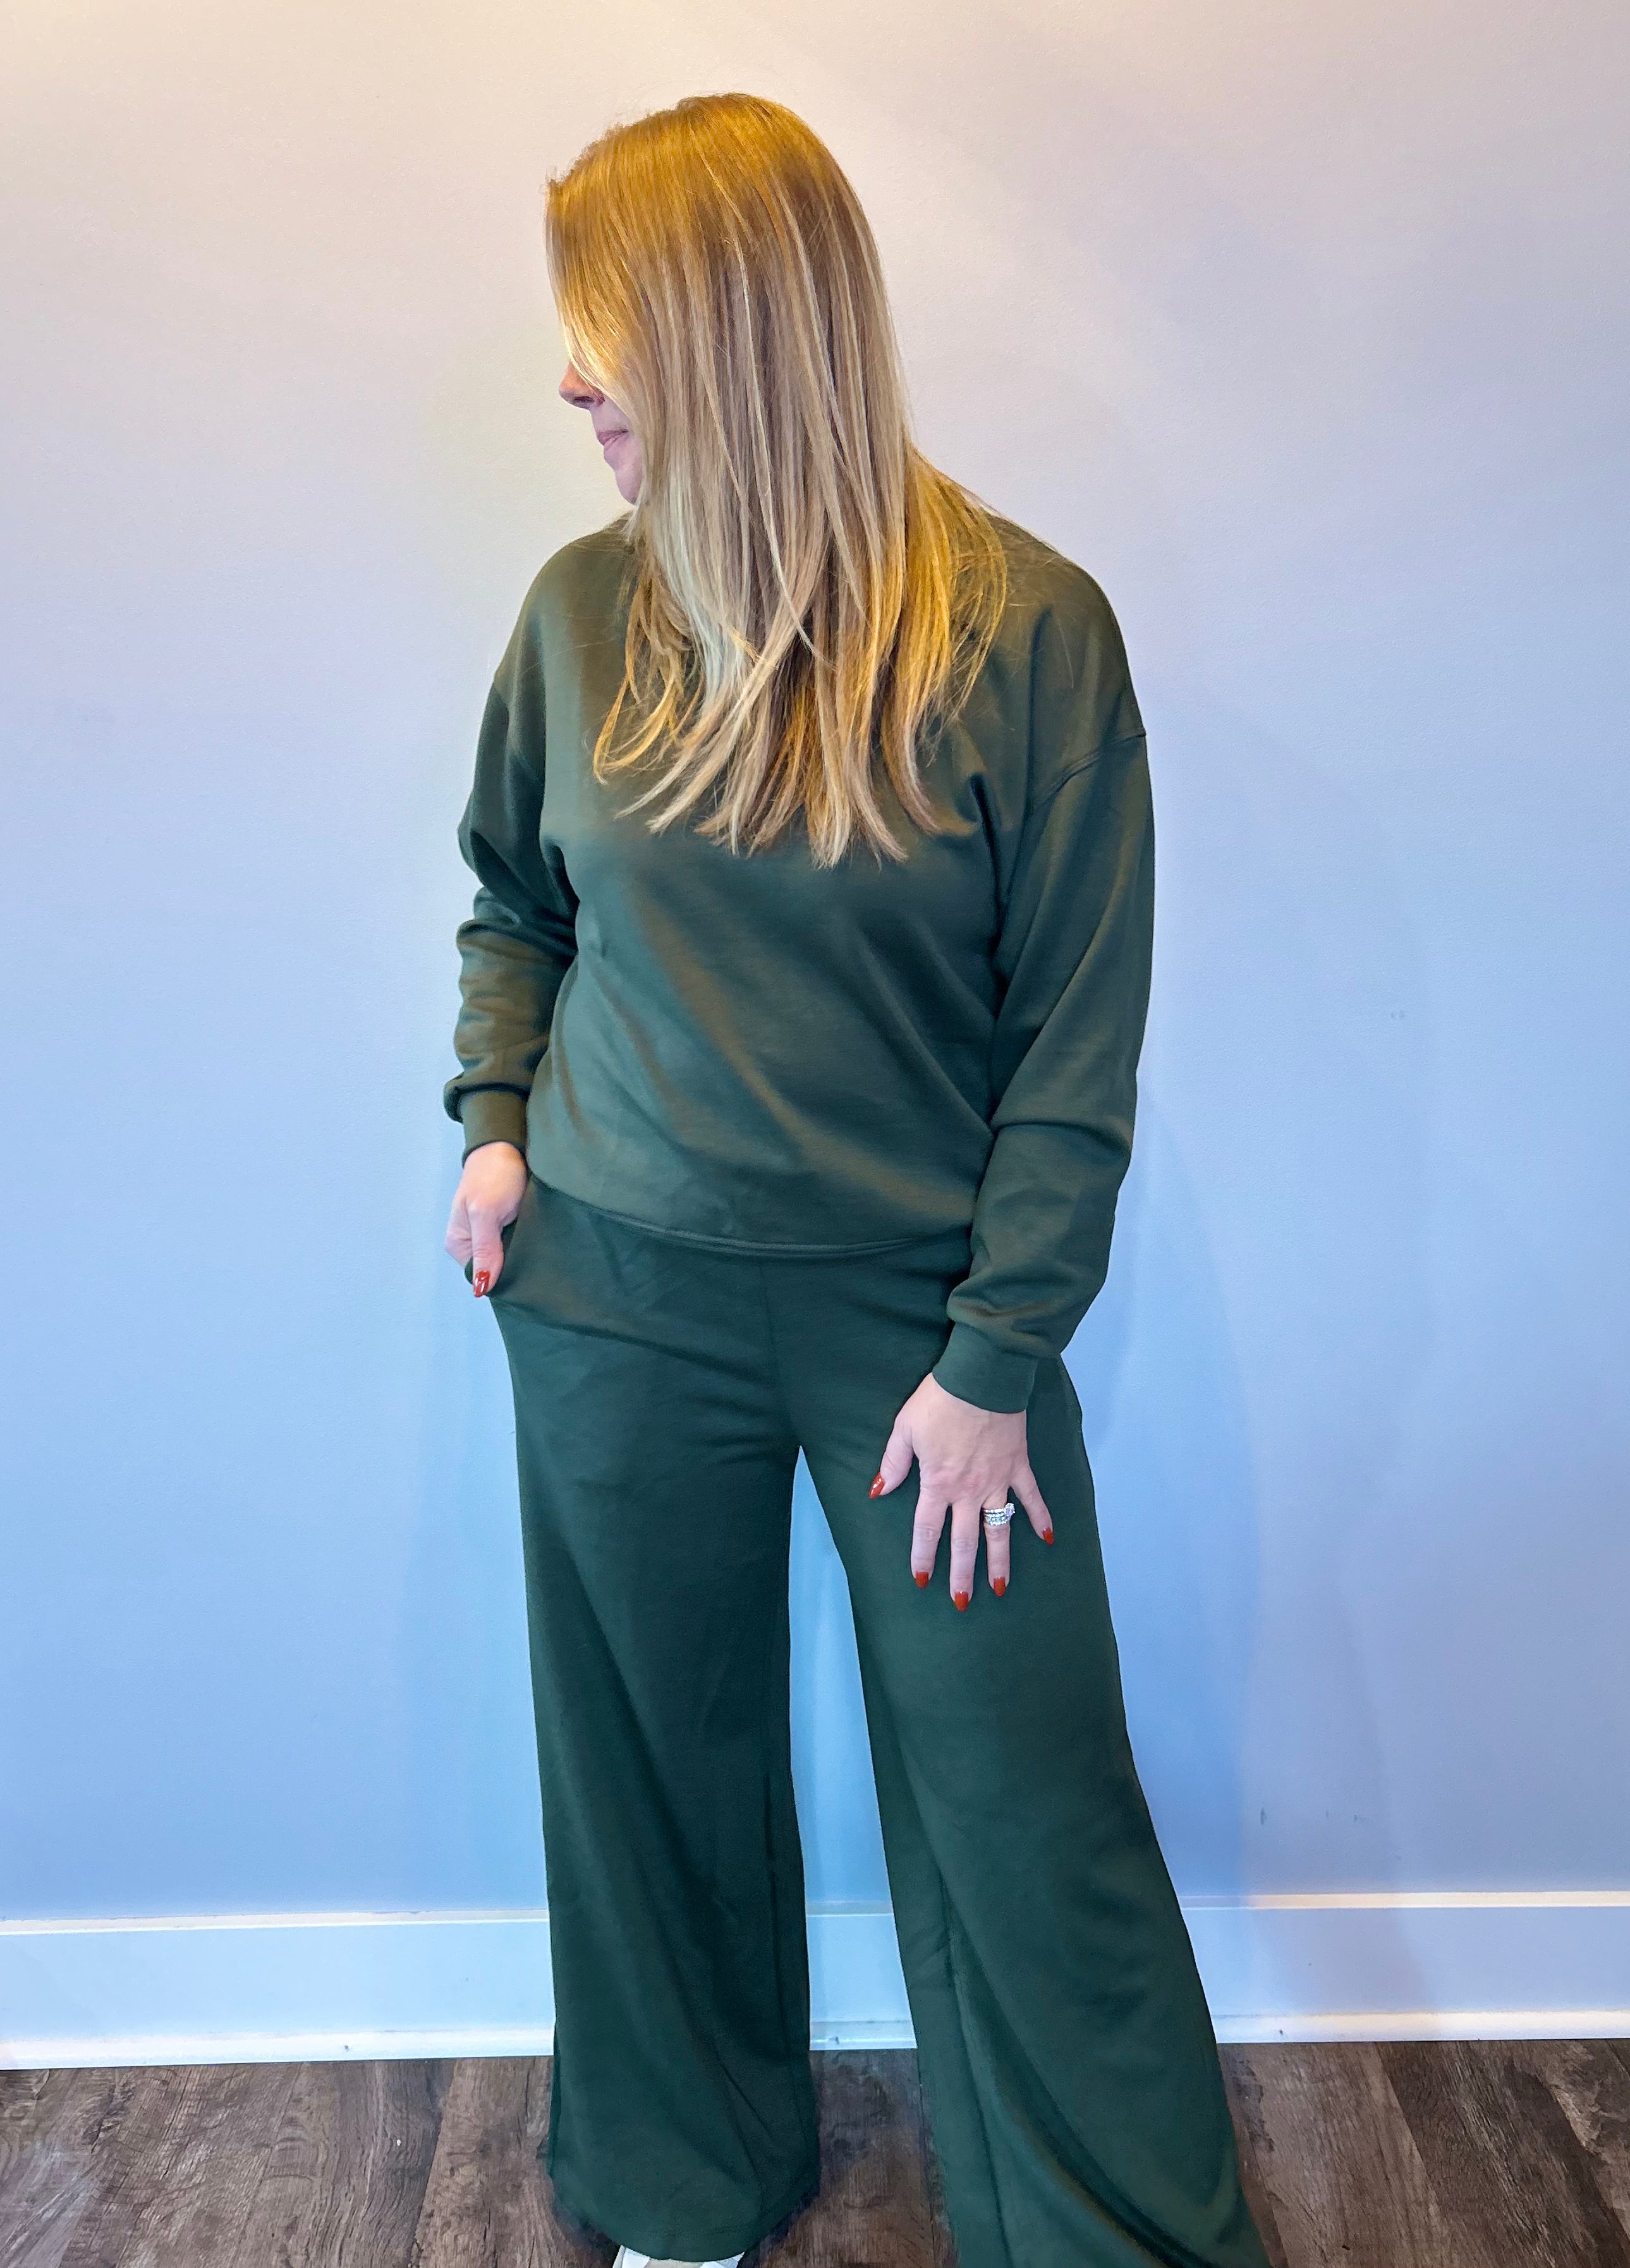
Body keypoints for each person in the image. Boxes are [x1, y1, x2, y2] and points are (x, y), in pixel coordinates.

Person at [442, 90, 1270, 2268]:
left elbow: (1071, 1049)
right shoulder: (578, 614)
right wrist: (495, 1120)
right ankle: (681, 2185)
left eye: (605, 330)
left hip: (925, 1330)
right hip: (613, 1289)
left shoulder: (1026, 633)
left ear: (734, 333)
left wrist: (996, 1360)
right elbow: (515, 900)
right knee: (649, 1771)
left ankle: (1109, 2237)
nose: (570, 379)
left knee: (1021, 1794)